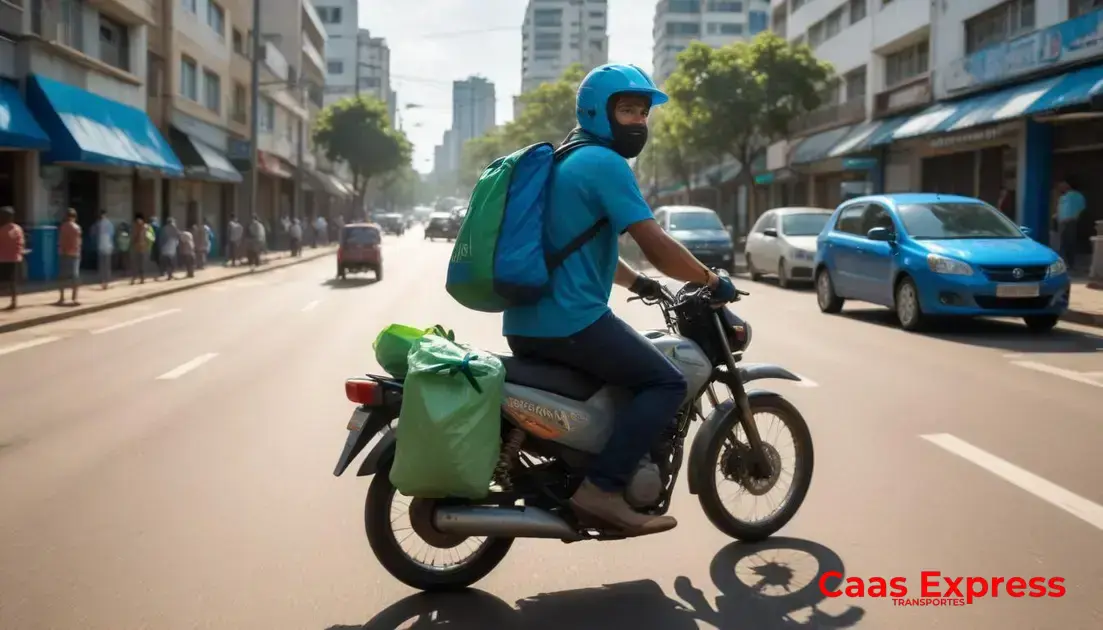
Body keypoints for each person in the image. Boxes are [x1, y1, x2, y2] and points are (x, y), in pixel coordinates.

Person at [502, 64, 741, 536]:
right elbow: (657, 245)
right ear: (596, 112)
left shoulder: (567, 159)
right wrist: (711, 280)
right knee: (666, 383)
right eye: (626, 110)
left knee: (623, 384)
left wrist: (639, 285)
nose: (637, 121)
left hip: (528, 323)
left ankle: (586, 469)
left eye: (643, 112)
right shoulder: (605, 164)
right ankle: (603, 490)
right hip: (571, 323)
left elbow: (577, 247)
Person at [1055, 179, 1086, 269]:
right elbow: (1059, 209)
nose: (1060, 188)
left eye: (1062, 186)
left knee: (1070, 242)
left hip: (1070, 221)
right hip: (1061, 222)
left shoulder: (1077, 196)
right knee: (1062, 243)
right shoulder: (1062, 197)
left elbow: (1082, 208)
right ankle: (1063, 264)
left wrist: (1075, 216)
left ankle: (1071, 264)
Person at [0, 206, 24, 310]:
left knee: (3, 282)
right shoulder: (18, 229)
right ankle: (14, 302)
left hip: (3, 259)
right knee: (13, 282)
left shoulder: (2, 230)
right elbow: (22, 243)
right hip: (16, 258)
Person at [57, 208, 82, 305]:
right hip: (74, 254)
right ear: (74, 217)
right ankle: (74, 298)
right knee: (75, 277)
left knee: (62, 276)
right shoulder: (76, 227)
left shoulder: (63, 227)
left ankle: (62, 297)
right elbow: (78, 241)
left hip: (63, 253)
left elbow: (61, 241)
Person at [94, 210, 114, 289]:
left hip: (103, 246)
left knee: (103, 265)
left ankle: (104, 281)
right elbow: (112, 234)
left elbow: (95, 233)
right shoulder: (107, 224)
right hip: (106, 246)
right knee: (106, 265)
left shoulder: (99, 224)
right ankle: (105, 282)